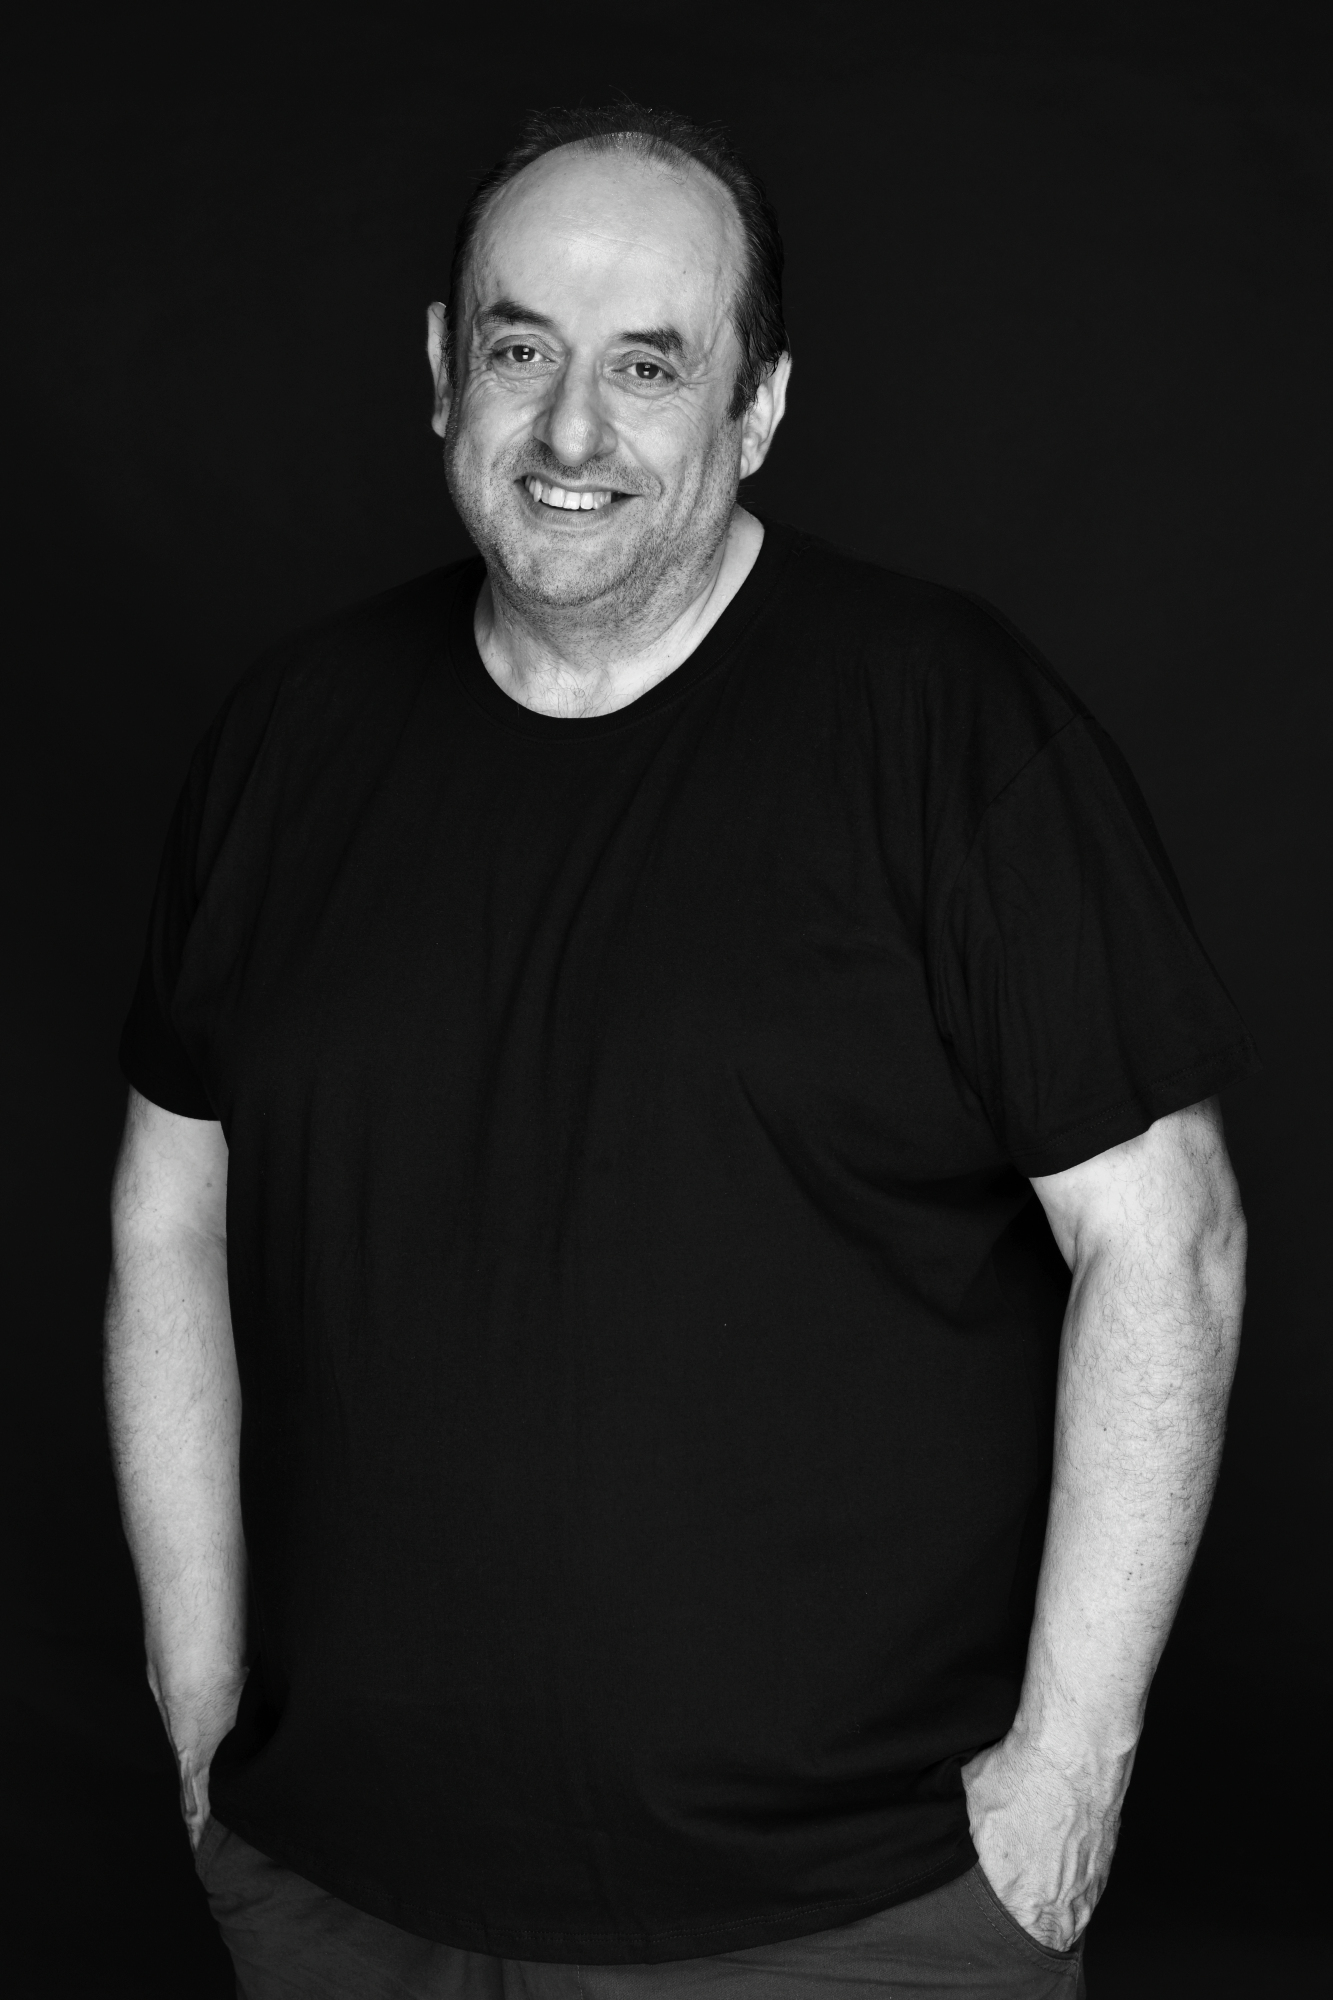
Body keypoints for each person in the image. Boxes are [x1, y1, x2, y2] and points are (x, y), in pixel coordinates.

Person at [105, 102, 1253, 2000]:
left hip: (845, 1919)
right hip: (339, 1892)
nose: (572, 431)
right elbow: (169, 1209)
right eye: (521, 348)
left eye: (649, 365)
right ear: (441, 368)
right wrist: (200, 1702)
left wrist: (1066, 1781)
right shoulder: (290, 741)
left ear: (760, 407)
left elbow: (1167, 1240)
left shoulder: (942, 726)